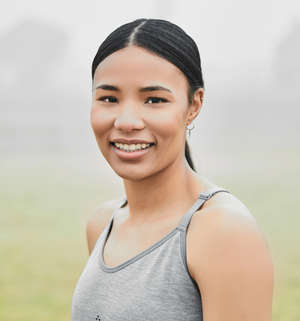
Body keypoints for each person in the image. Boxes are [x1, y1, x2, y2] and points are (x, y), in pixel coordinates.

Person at [71, 18, 274, 321]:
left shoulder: (223, 232)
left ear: (194, 105)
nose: (126, 121)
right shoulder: (102, 225)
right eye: (109, 98)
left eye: (154, 99)